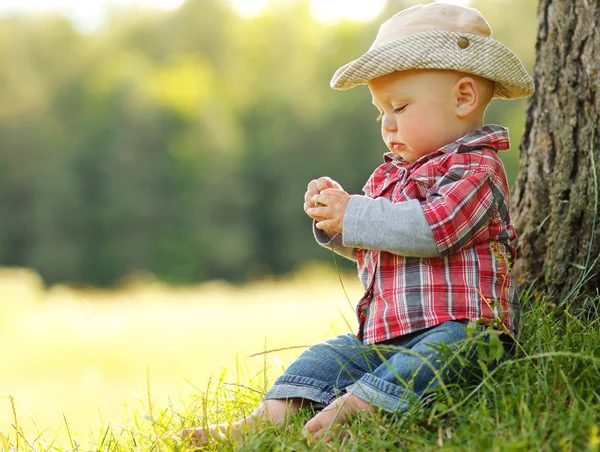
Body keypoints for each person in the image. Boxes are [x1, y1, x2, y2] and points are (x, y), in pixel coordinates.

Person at [180, 2, 534, 446]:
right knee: (326, 358)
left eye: (400, 107)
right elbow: (382, 242)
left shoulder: (476, 170)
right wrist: (337, 223)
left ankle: (360, 412)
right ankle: (267, 419)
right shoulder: (390, 175)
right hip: (388, 333)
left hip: (466, 327)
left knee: (439, 358)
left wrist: (356, 213)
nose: (387, 125)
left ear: (463, 98)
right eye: (380, 111)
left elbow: (430, 230)